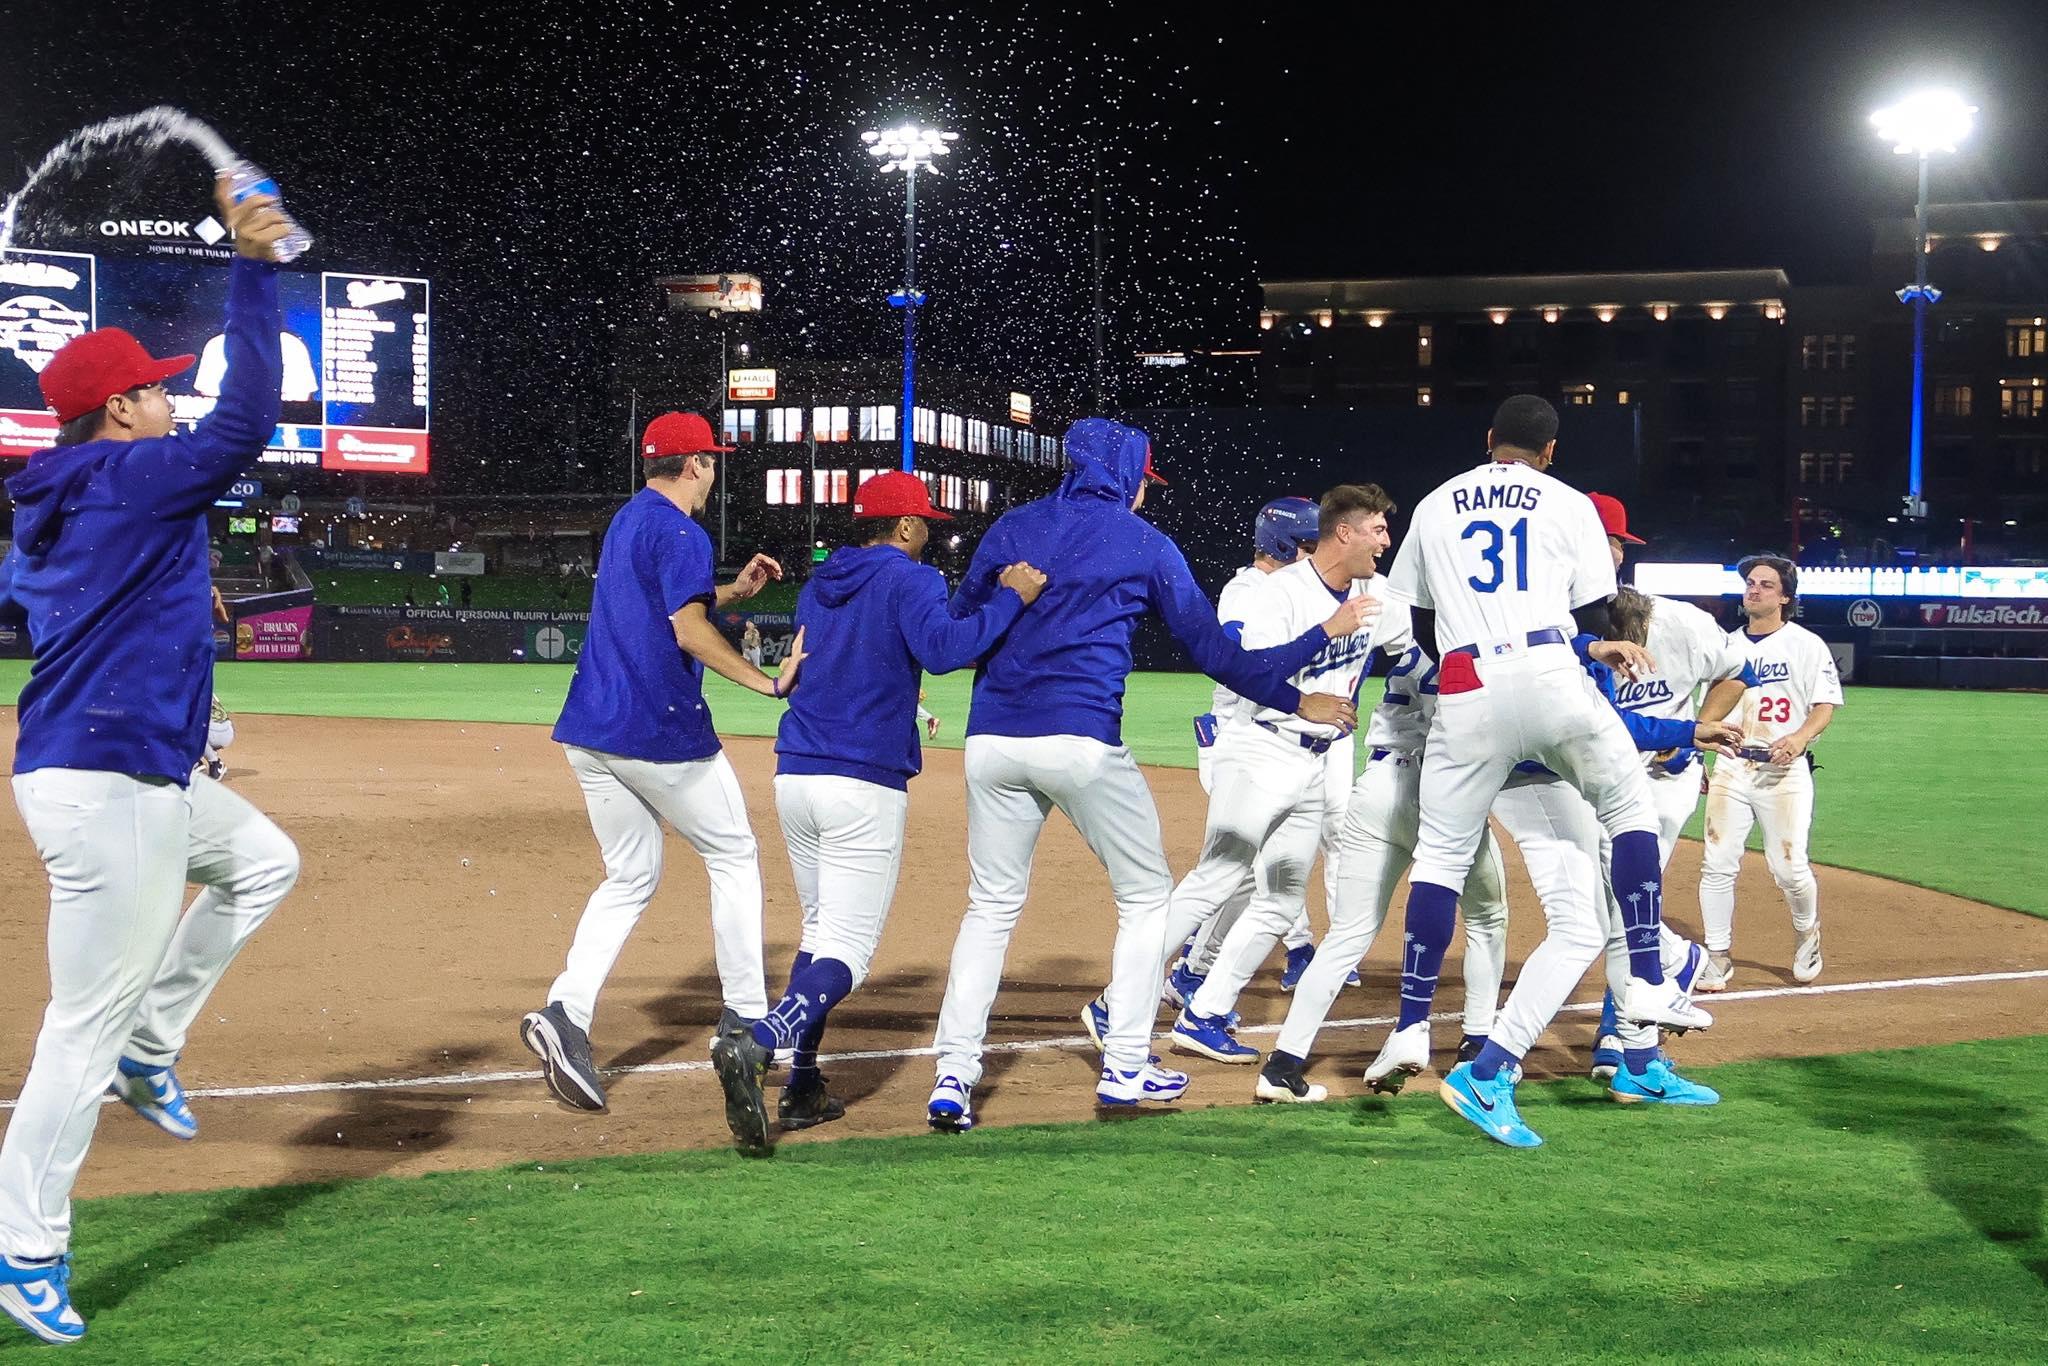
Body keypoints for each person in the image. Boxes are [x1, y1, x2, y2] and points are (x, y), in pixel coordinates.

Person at [0, 176, 301, 1346]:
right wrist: (256, 268)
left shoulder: (81, 489)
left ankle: (152, 1041)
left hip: (118, 768)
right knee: (77, 1023)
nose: (172, 405)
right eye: (158, 394)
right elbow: (246, 422)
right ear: (118, 411)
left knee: (263, 863)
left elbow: (109, 582)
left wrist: (179, 592)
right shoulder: (130, 475)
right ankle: (26, 1247)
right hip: (114, 781)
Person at [926, 418, 1367, 1132]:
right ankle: (1127, 1065)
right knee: (1146, 899)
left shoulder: (1012, 527)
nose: (1142, 495)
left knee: (991, 907)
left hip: (992, 742)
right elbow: (1213, 655)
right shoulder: (1145, 543)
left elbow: (954, 633)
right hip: (1081, 741)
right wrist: (1298, 699)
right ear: (1128, 476)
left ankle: (953, 1076)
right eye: (1141, 482)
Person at [1375, 395, 1708, 1150]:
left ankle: (1415, 1024)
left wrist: (1470, 650)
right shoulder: (1565, 501)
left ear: (1488, 440)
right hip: (1551, 679)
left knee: (1443, 860)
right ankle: (1649, 984)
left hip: (1466, 686)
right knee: (1628, 810)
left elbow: (1419, 619)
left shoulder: (1433, 503)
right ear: (1550, 450)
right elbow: (1596, 613)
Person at [713, 473, 1045, 1147]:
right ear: (901, 528)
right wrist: (1010, 599)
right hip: (860, 781)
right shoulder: (910, 580)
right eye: (923, 522)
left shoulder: (820, 582)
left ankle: (804, 1085)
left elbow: (833, 665)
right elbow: (947, 651)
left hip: (796, 774)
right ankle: (766, 1041)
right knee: (849, 952)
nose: (929, 532)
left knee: (817, 930)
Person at [518, 411, 807, 1155]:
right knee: (734, 854)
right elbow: (684, 630)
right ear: (693, 467)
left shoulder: (632, 519)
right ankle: (745, 1019)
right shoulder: (682, 531)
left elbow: (673, 608)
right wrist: (766, 681)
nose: (715, 471)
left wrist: (731, 594)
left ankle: (567, 1011)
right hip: (657, 732)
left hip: (590, 731)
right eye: (711, 460)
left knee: (630, 875)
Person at [1124, 484, 1391, 1066]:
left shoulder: (1369, 592)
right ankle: (1122, 999)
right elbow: (1246, 669)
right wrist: (1325, 637)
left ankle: (1204, 1011)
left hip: (1311, 758)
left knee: (1275, 896)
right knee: (1220, 878)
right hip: (1256, 745)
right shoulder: (1267, 592)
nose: (1386, 542)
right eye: (1376, 529)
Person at [1255, 602, 1514, 1104]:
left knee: (1347, 934)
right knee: (1487, 916)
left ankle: (1283, 1065)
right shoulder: (1480, 656)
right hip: (1438, 793)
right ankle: (1476, 1044)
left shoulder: (1412, 644)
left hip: (1375, 785)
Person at [1174, 497, 1346, 1003]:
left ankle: (1197, 970)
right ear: (1283, 544)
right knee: (1241, 873)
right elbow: (1245, 664)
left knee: (1256, 875)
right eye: (1311, 544)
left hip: (1279, 743)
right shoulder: (1247, 591)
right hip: (1240, 739)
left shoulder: (1296, 588)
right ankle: (1191, 971)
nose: (1319, 554)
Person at [1696, 555, 1841, 990]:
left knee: (1790, 870)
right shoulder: (1725, 645)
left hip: (1785, 773)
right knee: (1717, 863)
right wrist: (1701, 756)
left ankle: (1806, 932)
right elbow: (1708, 710)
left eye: (1765, 584)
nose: (1753, 590)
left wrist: (1799, 738)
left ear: (1785, 597)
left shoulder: (1805, 644)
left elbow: (1824, 706)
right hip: (1732, 766)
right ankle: (1717, 956)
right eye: (1750, 583)